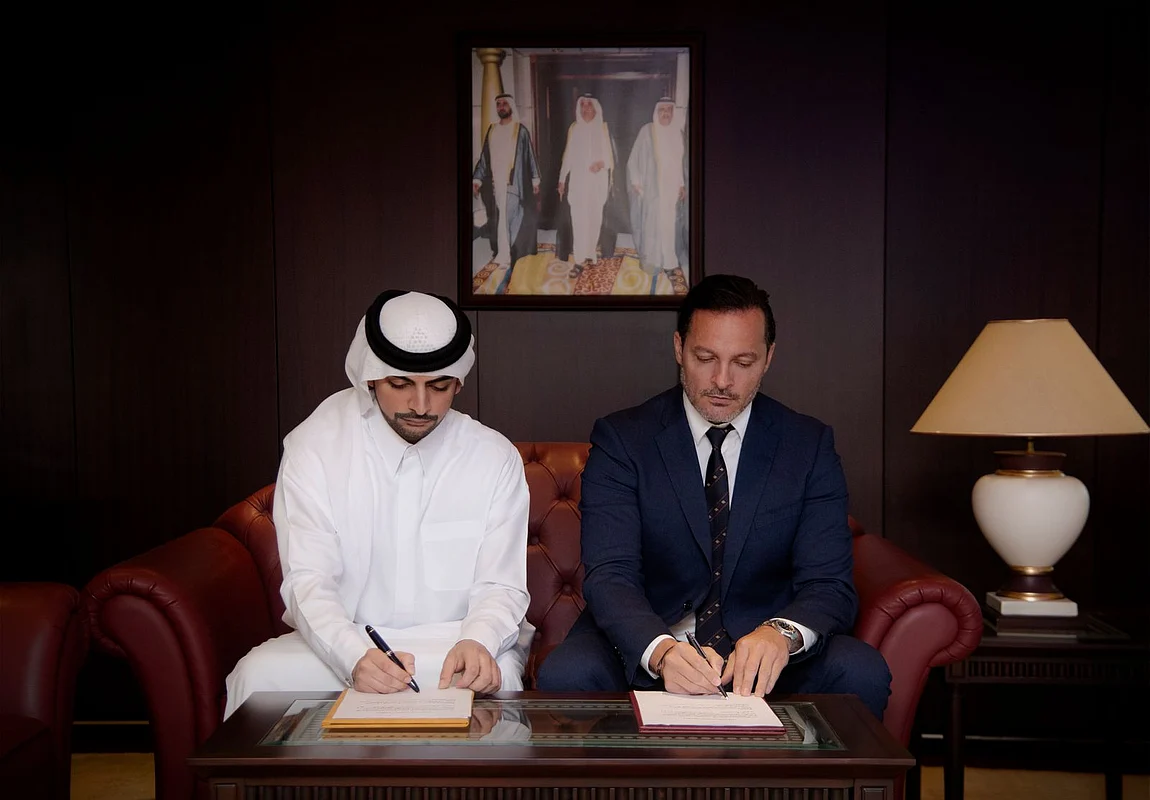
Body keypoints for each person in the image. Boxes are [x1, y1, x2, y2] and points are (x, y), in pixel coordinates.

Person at [536, 275, 891, 720]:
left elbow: (829, 584)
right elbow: (611, 575)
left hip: (765, 658)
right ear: (679, 348)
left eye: (743, 362)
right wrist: (660, 651)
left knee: (861, 671)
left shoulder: (808, 446)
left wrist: (779, 635)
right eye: (705, 358)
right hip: (651, 646)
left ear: (768, 358)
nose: (722, 380)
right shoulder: (623, 440)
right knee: (568, 672)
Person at [224, 290, 534, 718]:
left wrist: (479, 639)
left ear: (459, 382)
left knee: (494, 680)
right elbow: (309, 580)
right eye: (401, 384)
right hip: (344, 641)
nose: (420, 406)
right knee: (257, 676)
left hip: (455, 645)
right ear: (370, 378)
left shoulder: (493, 456)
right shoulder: (315, 447)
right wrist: (352, 656)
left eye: (438, 386)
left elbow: (501, 586)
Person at [472, 93, 542, 268]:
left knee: (509, 217)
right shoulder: (492, 130)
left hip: (515, 182)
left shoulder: (520, 130)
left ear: (511, 106)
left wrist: (535, 179)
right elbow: (484, 158)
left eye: (504, 103)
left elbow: (530, 156)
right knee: (502, 219)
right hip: (496, 183)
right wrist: (477, 179)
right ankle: (507, 253)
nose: (501, 107)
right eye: (498, 104)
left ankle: (507, 254)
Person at [626, 98, 689, 277]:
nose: (666, 113)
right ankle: (653, 261)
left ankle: (669, 262)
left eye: (669, 110)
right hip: (652, 188)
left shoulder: (678, 133)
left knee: (669, 226)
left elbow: (679, 162)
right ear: (657, 112)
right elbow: (633, 159)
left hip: (671, 188)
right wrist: (636, 182)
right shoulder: (647, 131)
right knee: (653, 226)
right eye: (662, 110)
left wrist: (681, 184)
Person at [557, 94, 614, 278]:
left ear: (596, 108)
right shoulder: (574, 129)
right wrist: (562, 179)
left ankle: (590, 252)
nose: (585, 109)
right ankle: (579, 259)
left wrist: (601, 164)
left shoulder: (603, 129)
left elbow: (612, 159)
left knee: (594, 220)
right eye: (582, 105)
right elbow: (567, 157)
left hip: (597, 184)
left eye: (589, 105)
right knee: (578, 221)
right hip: (578, 184)